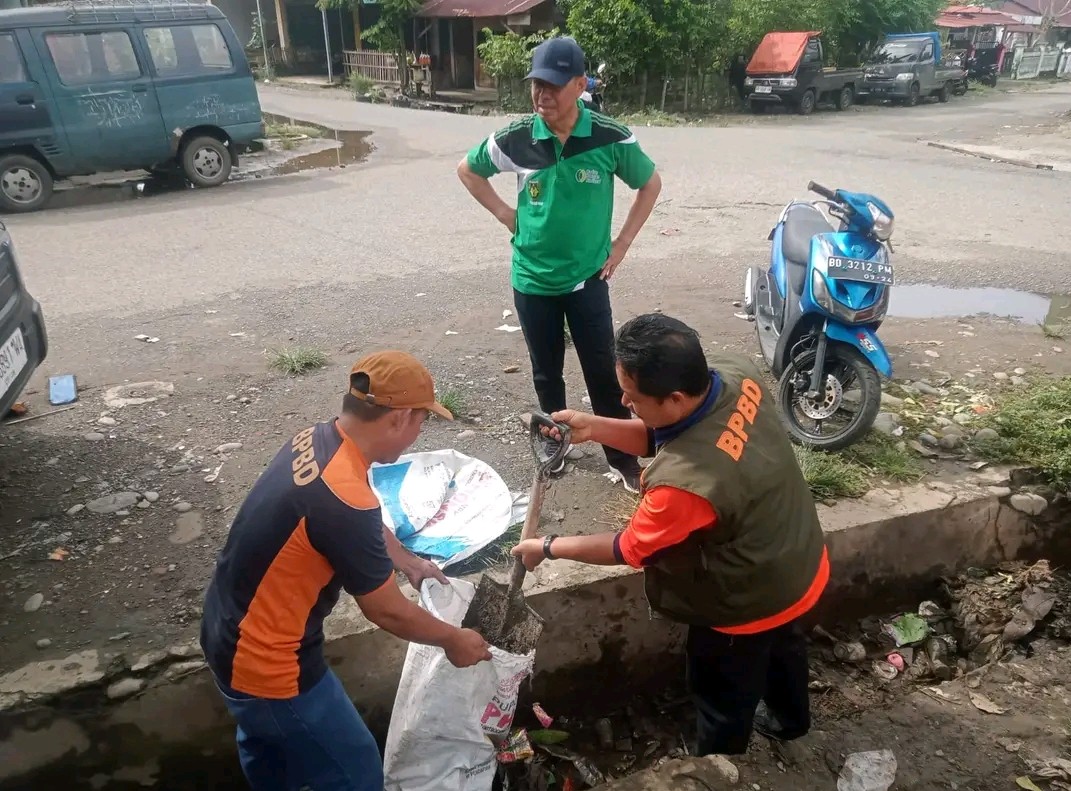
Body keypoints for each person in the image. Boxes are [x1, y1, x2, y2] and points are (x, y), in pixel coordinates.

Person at [511, 314, 830, 757]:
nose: (623, 401)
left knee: (722, 687)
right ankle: (791, 721)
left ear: (675, 397)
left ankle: (720, 762)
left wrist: (547, 546)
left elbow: (630, 548)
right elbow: (670, 432)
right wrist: (592, 427)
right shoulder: (732, 373)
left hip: (748, 598)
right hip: (798, 560)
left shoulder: (686, 485)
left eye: (632, 396)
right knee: (783, 650)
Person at [200, 351, 492, 791]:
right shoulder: (344, 502)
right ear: (397, 419)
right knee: (353, 770)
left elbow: (357, 515)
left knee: (269, 752)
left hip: (224, 630)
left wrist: (406, 560)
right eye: (420, 421)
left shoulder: (317, 441)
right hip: (271, 663)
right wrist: (455, 639)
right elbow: (386, 611)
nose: (418, 433)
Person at [457, 35, 662, 494]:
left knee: (604, 372)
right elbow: (468, 170)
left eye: (552, 84)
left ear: (580, 84)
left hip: (588, 279)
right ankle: (555, 441)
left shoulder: (610, 136)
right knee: (546, 371)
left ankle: (622, 458)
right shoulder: (517, 137)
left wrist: (623, 243)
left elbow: (649, 184)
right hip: (531, 281)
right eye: (536, 84)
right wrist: (505, 215)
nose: (541, 94)